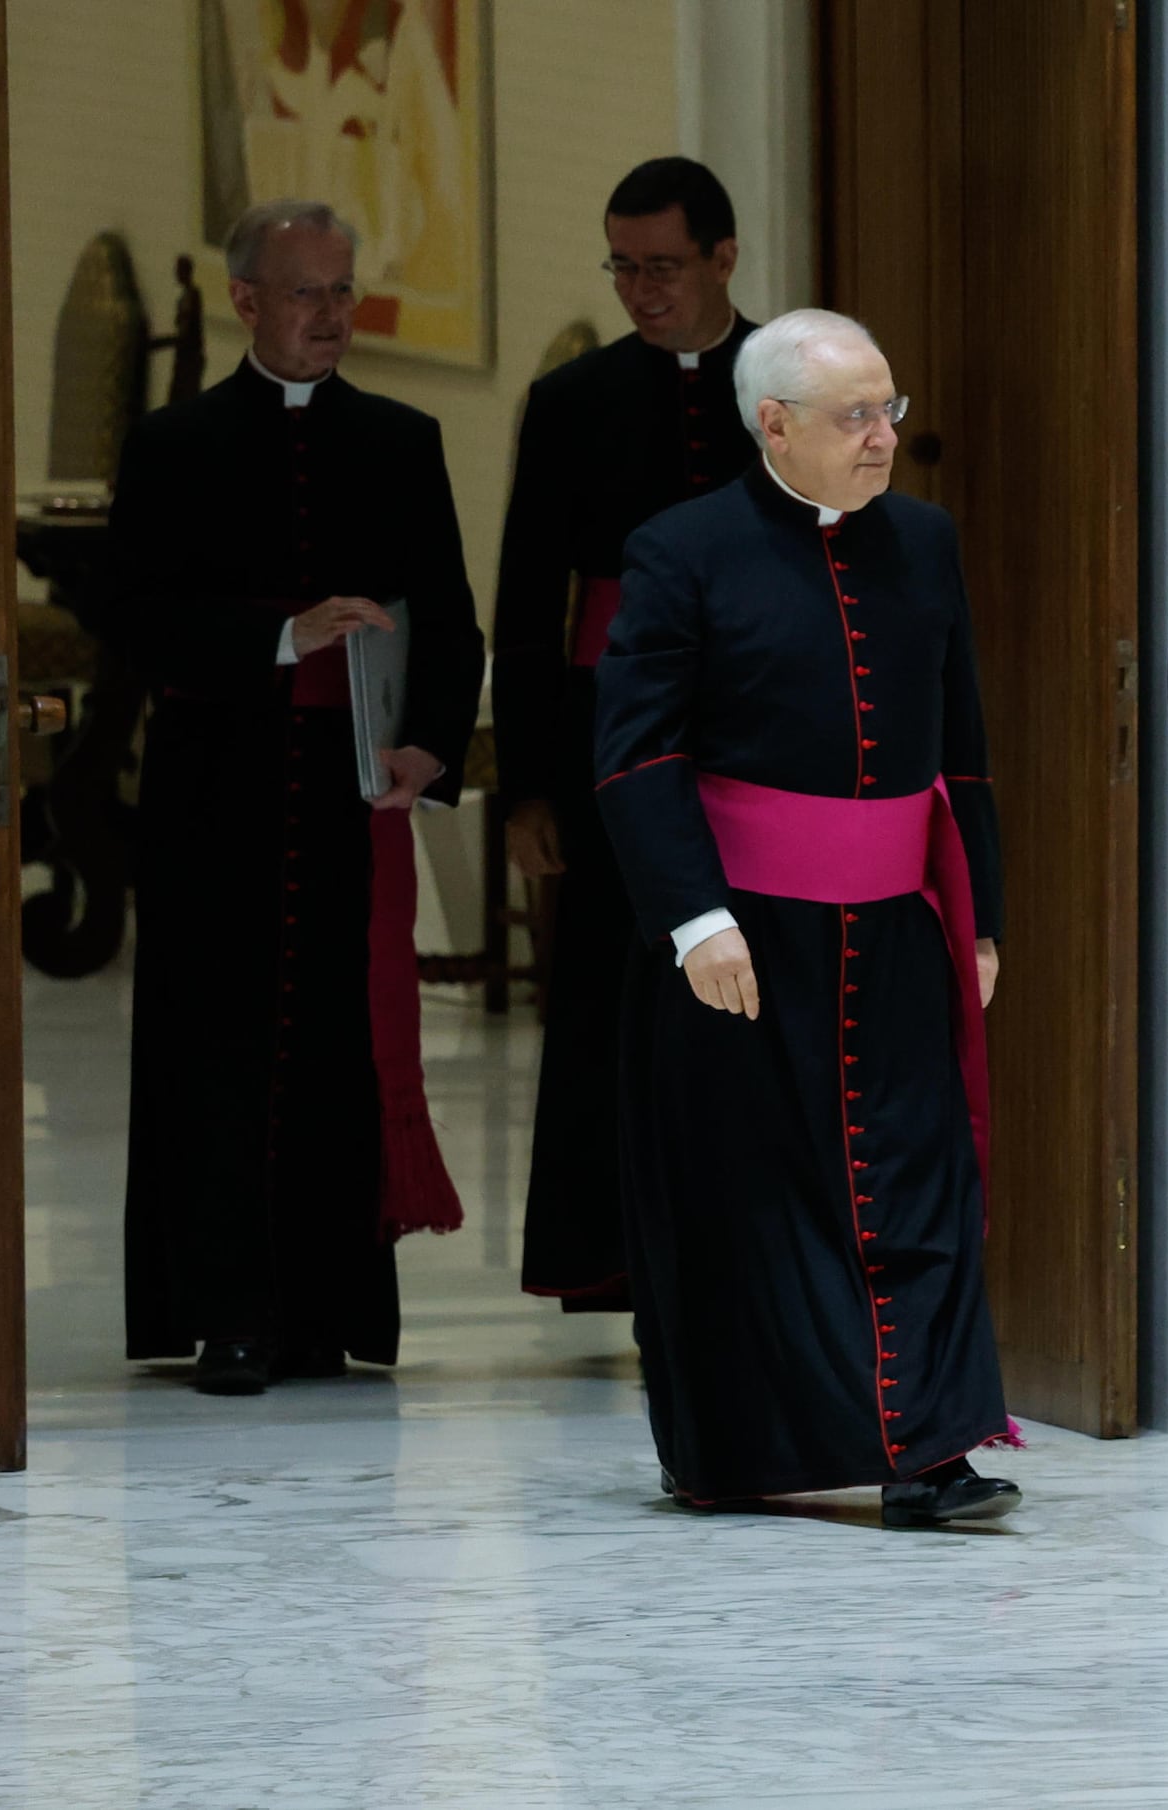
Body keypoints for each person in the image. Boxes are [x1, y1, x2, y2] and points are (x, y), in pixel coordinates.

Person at [594, 308, 1018, 1524]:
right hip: (743, 938)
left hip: (892, 929)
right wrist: (692, 921)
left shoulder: (924, 542)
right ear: (772, 424)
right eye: (856, 416)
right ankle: (740, 1450)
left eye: (889, 409)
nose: (886, 435)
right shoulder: (683, 550)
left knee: (919, 1174)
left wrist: (976, 915)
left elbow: (964, 751)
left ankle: (932, 1449)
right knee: (753, 1203)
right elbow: (635, 757)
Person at [104, 199, 483, 1395]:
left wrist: (427, 746)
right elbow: (132, 617)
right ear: (248, 302)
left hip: (348, 796)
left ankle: (326, 1311)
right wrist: (279, 632)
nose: (333, 315)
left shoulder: (402, 438)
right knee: (214, 1048)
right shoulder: (174, 444)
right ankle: (225, 1313)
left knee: (336, 1047)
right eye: (308, 293)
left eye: (344, 290)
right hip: (214, 792)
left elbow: (451, 617)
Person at [493, 157, 761, 1311]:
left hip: (758, 737)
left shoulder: (785, 378)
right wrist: (527, 785)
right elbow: (526, 599)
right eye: (623, 267)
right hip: (614, 739)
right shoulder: (571, 403)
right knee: (609, 990)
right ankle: (608, 1249)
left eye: (661, 266)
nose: (640, 291)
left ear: (721, 258)